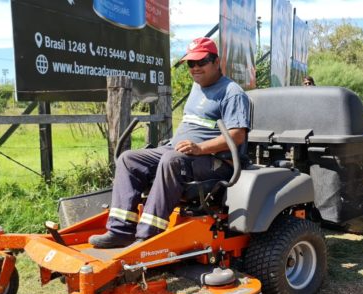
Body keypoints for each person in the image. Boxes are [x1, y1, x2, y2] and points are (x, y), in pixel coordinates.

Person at [88, 37, 251, 248]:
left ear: (216, 61)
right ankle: (120, 231)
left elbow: (237, 135)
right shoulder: (197, 87)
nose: (195, 68)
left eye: (201, 62)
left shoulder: (232, 93)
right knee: (128, 159)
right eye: (191, 64)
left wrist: (200, 148)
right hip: (179, 150)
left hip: (214, 160)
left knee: (171, 160)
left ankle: (147, 237)